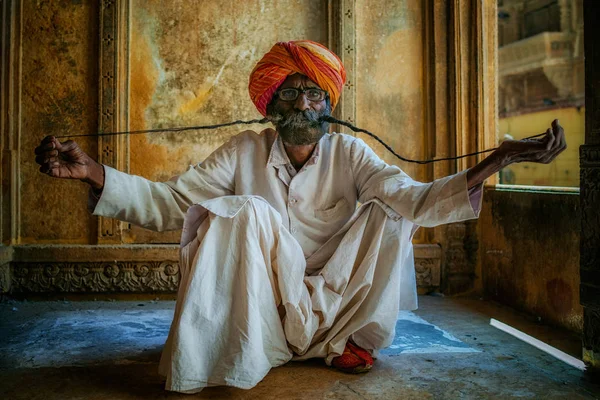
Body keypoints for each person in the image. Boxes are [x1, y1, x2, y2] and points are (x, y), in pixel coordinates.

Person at [34, 40, 566, 393]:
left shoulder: (352, 154)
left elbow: (416, 198)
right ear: (272, 106)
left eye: (314, 93)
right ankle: (242, 349)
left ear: (327, 103)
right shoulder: (243, 150)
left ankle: (349, 342)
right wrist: (93, 173)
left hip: (338, 301)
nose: (304, 104)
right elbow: (174, 203)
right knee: (241, 210)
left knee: (391, 209)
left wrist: (501, 159)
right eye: (290, 94)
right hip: (263, 305)